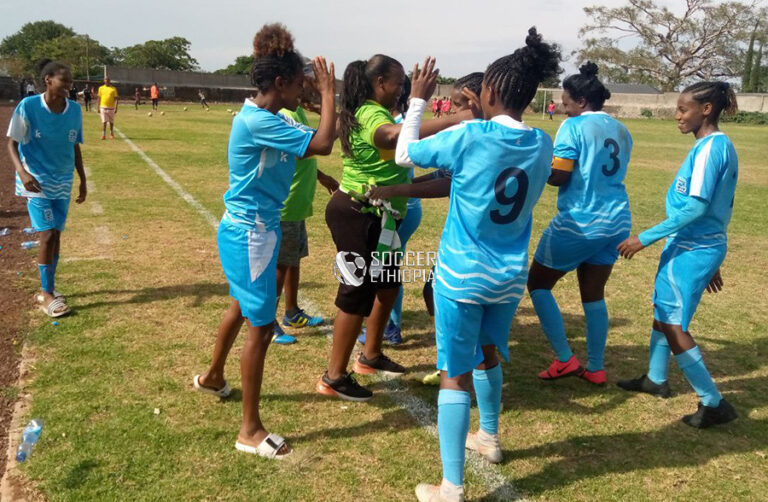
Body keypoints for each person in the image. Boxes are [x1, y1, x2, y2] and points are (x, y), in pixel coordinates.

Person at [393, 29, 560, 501]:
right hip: (508, 278)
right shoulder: (543, 142)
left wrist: (417, 100)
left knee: (454, 372)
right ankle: (488, 437)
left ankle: (451, 487)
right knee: (488, 354)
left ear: (489, 91)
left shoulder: (470, 135)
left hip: (462, 275)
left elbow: (404, 154)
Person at [192, 23, 337, 459]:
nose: (302, 91)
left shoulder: (272, 118)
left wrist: (315, 97)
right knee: (260, 328)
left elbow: (314, 142)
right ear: (279, 82)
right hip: (251, 234)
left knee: (241, 306)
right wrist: (328, 92)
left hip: (255, 231)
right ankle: (250, 430)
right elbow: (324, 143)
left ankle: (213, 377)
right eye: (297, 84)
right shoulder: (257, 122)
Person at [317, 54, 472, 402]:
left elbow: (398, 149)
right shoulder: (370, 112)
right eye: (399, 82)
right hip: (358, 213)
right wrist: (456, 117)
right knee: (356, 292)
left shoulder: (379, 110)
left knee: (387, 287)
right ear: (379, 83)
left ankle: (370, 356)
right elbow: (390, 138)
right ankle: (333, 377)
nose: (402, 88)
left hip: (383, 216)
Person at [616, 81, 739, 429]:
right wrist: (712, 260)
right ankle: (655, 379)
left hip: (692, 247)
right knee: (663, 312)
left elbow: (697, 207)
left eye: (683, 109)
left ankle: (714, 403)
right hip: (698, 246)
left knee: (673, 324)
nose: (677, 116)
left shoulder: (710, 149)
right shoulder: (718, 145)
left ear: (706, 109)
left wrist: (644, 238)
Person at [358, 72, 484, 360]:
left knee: (391, 271)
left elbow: (407, 157)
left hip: (469, 243)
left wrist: (398, 188)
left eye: (457, 105)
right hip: (480, 244)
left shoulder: (466, 135)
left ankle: (403, 334)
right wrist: (405, 185)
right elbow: (446, 174)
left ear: (474, 101)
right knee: (427, 289)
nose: (450, 111)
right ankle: (452, 356)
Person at [528, 62, 632, 385]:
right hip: (617, 220)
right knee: (594, 294)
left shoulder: (572, 126)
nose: (563, 107)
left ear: (582, 102)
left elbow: (560, 175)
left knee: (538, 284)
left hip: (581, 221)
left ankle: (565, 359)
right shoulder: (622, 129)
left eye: (566, 102)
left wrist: (536, 167)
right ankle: (596, 368)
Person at [6, 60, 87, 318]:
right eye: (64, 80)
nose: (69, 85)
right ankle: (46, 294)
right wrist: (22, 172)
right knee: (48, 234)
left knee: (56, 235)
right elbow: (12, 143)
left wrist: (82, 179)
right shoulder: (28, 106)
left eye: (70, 81)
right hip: (36, 181)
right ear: (48, 80)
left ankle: (49, 287)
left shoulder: (74, 110)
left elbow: (75, 146)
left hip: (62, 181)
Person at [275, 72, 340, 342]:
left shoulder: (297, 111)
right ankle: (267, 323)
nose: (306, 90)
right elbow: (314, 146)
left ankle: (291, 312)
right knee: (280, 265)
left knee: (293, 260)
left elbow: (301, 151)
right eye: (302, 86)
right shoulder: (283, 114)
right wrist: (333, 109)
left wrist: (321, 176)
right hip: (286, 204)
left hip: (298, 203)